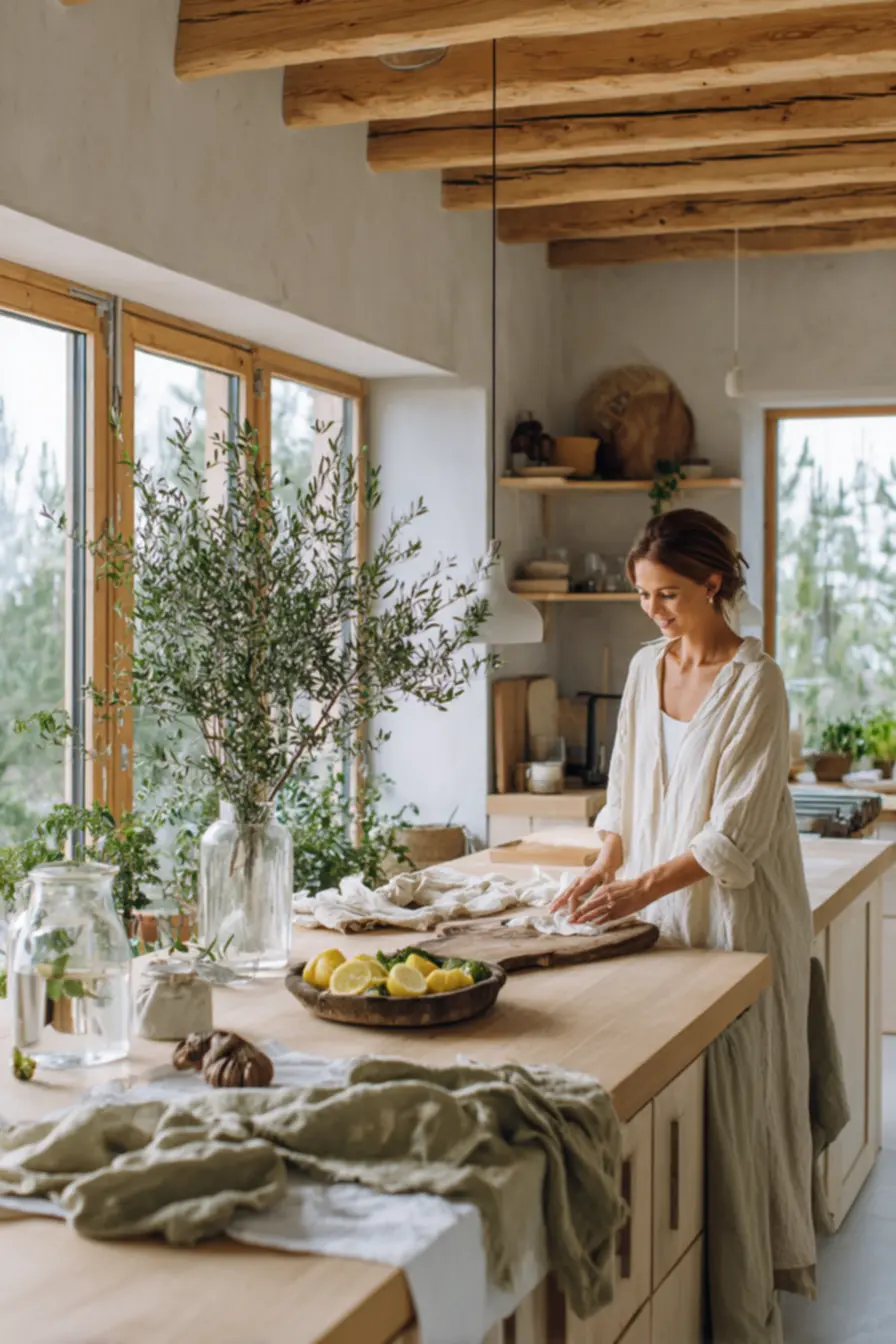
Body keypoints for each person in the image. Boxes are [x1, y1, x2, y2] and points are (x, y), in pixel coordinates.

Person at [551, 507, 815, 1282]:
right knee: (674, 1084)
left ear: (713, 583)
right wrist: (607, 863)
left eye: (668, 595)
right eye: (642, 595)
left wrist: (637, 890)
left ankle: (754, 1264)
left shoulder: (757, 684)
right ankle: (681, 1260)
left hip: (738, 916)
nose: (654, 611)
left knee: (744, 1095)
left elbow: (732, 837)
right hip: (658, 910)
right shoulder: (645, 669)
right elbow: (626, 792)